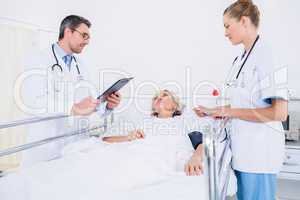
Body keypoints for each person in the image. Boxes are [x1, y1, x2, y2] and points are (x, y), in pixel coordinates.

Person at [194, 0, 288, 199]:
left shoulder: (266, 53)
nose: (225, 32)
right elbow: (243, 104)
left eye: (227, 26)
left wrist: (228, 112)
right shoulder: (240, 59)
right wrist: (215, 111)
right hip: (243, 151)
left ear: (244, 21)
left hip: (259, 153)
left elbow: (279, 113)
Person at [22, 15, 121, 166]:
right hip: (46, 145)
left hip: (75, 145)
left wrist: (108, 106)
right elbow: (35, 102)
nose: (87, 41)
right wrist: (72, 108)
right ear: (68, 32)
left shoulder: (81, 65)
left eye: (88, 37)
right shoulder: (39, 59)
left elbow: (88, 101)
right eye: (84, 35)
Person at [102, 89, 204, 176]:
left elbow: (203, 143)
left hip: (173, 169)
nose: (158, 98)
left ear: (175, 105)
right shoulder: (142, 121)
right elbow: (105, 140)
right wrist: (128, 137)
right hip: (138, 165)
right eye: (155, 98)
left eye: (164, 95)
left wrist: (196, 157)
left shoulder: (182, 120)